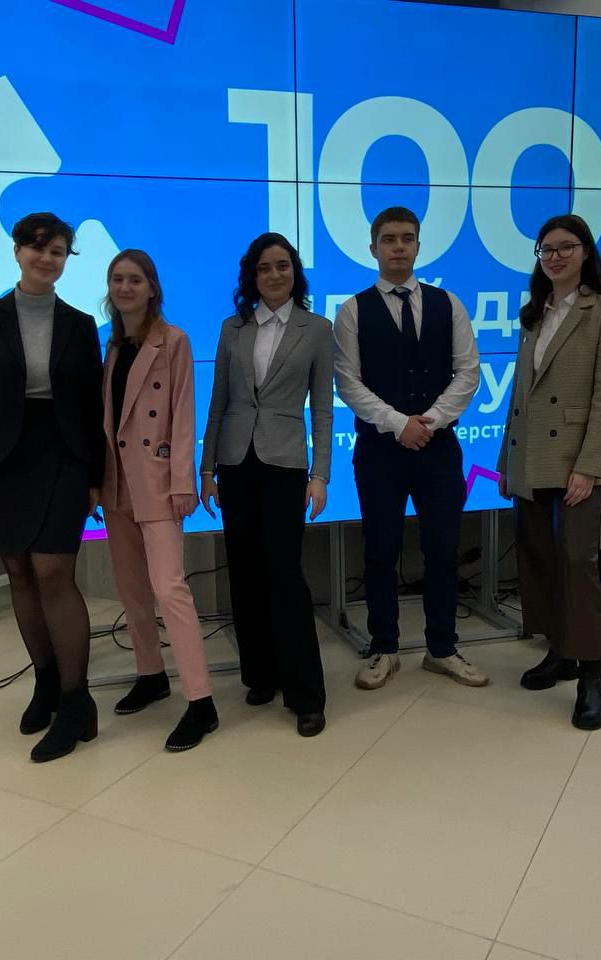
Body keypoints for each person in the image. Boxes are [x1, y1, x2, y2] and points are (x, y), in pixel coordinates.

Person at [0, 212, 105, 763]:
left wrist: (97, 478)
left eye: (57, 251)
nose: (46, 258)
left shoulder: (80, 325)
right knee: (18, 571)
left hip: (63, 456)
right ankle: (46, 683)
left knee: (53, 573)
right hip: (2, 462)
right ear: (17, 251)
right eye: (37, 248)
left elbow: (92, 409)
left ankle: (77, 700)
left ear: (66, 259)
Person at [334, 206, 486, 691]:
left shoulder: (449, 304)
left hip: (439, 449)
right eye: (389, 239)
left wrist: (431, 421)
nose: (398, 246)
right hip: (379, 451)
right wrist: (399, 424)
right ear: (373, 248)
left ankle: (442, 648)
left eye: (406, 238)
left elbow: (468, 371)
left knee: (442, 549)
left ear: (418, 245)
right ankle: (384, 648)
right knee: (380, 551)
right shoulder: (352, 310)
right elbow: (347, 382)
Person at [498, 213, 601, 730]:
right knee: (539, 558)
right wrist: (507, 462)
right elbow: (519, 396)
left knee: (578, 562)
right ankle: (560, 652)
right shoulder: (534, 314)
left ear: (585, 252)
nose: (554, 257)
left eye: (565, 247)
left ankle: (592, 675)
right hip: (530, 455)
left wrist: (588, 467)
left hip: (577, 459)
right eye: (546, 249)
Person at [199, 233, 333, 738]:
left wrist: (320, 475)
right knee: (245, 572)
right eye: (264, 268)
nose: (274, 275)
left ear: (295, 272)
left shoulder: (316, 329)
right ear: (251, 276)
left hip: (284, 464)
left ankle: (306, 695)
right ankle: (260, 674)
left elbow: (323, 410)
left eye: (283, 266)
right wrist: (206, 470)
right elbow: (218, 403)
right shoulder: (232, 328)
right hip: (235, 462)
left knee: (284, 574)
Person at [99, 249, 217, 752]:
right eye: (117, 279)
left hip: (158, 480)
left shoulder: (173, 341)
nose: (125, 287)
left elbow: (184, 414)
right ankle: (150, 673)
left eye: (135, 279)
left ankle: (202, 701)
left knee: (169, 588)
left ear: (152, 288)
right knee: (131, 589)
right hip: (116, 482)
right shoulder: (112, 346)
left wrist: (182, 481)